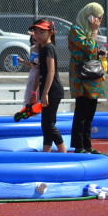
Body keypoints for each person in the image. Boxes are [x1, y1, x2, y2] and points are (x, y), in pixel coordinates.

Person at [68, 3, 106, 154]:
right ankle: (79, 146)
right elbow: (89, 48)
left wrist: (100, 53)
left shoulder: (88, 32)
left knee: (90, 113)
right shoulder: (75, 30)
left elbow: (92, 50)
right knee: (82, 113)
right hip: (81, 79)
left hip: (93, 78)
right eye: (97, 17)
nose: (99, 21)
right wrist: (95, 32)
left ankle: (88, 146)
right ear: (88, 16)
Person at [32, 19, 67, 153]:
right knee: (45, 125)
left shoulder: (49, 48)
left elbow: (51, 71)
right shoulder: (42, 49)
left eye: (42, 32)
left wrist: (45, 93)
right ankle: (46, 152)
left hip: (53, 91)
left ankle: (63, 152)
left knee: (49, 125)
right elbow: (39, 72)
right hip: (47, 91)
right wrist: (35, 93)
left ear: (50, 33)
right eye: (36, 32)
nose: (38, 35)